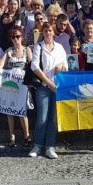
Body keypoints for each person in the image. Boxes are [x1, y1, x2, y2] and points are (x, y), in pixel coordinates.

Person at [28, 23, 68, 159]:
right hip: (44, 86)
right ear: (42, 33)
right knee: (42, 117)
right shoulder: (39, 47)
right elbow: (34, 66)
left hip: (57, 86)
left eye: (50, 30)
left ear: (53, 32)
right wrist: (48, 82)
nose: (48, 33)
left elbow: (66, 65)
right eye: (45, 31)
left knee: (52, 118)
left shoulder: (60, 47)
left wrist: (61, 67)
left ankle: (50, 146)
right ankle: (38, 145)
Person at [0, 27, 32, 147]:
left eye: (18, 36)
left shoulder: (27, 50)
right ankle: (11, 135)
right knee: (10, 110)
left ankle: (27, 134)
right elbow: (0, 66)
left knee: (22, 110)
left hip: (22, 85)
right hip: (10, 84)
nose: (16, 39)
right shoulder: (8, 51)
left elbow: (32, 65)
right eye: (13, 37)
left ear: (21, 37)